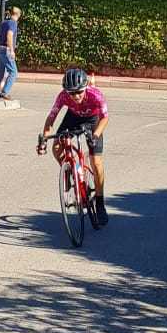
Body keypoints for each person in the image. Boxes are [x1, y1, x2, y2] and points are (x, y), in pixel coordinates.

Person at [38, 65, 109, 226]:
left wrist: (95, 135)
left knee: (96, 162)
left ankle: (99, 202)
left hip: (93, 120)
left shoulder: (95, 95)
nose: (76, 96)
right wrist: (44, 138)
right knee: (56, 146)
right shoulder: (63, 96)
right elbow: (51, 118)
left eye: (79, 92)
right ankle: (69, 169)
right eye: (72, 93)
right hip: (73, 117)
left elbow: (105, 118)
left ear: (85, 88)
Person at [0, 6, 21, 104]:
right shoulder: (13, 23)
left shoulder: (4, 22)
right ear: (17, 15)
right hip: (6, 49)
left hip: (0, 48)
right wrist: (11, 50)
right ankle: (4, 92)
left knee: (0, 74)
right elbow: (9, 35)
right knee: (13, 72)